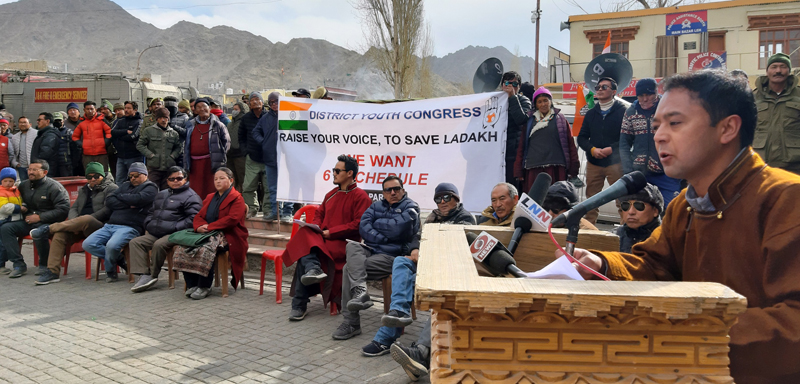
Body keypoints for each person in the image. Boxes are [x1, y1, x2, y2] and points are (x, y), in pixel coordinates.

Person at [566, 69, 800, 383]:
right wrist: (601, 265)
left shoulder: (785, 200)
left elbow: (793, 322)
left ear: (728, 128)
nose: (659, 136)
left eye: (674, 123)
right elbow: (655, 266)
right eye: (656, 126)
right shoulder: (684, 205)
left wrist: (687, 333)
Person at [376, 183, 474, 365]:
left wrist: (427, 254)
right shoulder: (433, 217)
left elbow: (456, 247)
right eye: (438, 199)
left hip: (447, 269)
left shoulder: (465, 218)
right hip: (427, 264)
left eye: (447, 197)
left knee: (415, 284)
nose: (442, 202)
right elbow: (417, 237)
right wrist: (415, 249)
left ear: (456, 198)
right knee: (401, 261)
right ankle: (399, 312)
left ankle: (396, 342)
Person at [332, 176, 420, 354]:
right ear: (383, 193)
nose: (392, 193)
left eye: (396, 189)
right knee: (352, 247)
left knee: (349, 269)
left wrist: (378, 229)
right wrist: (385, 235)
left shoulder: (411, 207)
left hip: (392, 256)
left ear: (403, 190)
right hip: (371, 250)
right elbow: (363, 227)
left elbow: (398, 229)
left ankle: (351, 322)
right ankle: (360, 293)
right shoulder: (375, 206)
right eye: (388, 190)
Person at [283, 155, 372, 321]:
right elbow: (319, 214)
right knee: (306, 235)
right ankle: (313, 269)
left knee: (305, 253)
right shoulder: (330, 194)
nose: (334, 173)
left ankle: (299, 303)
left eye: (337, 171)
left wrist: (331, 232)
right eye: (334, 170)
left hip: (343, 243)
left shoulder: (361, 196)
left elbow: (358, 224)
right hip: (323, 238)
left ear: (350, 173)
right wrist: (316, 227)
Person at [31, 162, 118, 285]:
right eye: (89, 177)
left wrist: (81, 221)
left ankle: (48, 229)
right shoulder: (84, 189)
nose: (92, 179)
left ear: (102, 176)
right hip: (79, 226)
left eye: (96, 176)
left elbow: (107, 210)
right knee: (60, 234)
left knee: (86, 219)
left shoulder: (112, 188)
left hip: (101, 226)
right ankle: (52, 272)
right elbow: (74, 208)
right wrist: (75, 224)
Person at [129, 166, 202, 293]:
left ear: (185, 179)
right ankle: (143, 274)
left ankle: (153, 275)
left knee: (159, 245)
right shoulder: (161, 194)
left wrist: (174, 227)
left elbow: (193, 219)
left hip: (176, 234)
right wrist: (148, 224)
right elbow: (151, 212)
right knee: (136, 242)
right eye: (172, 179)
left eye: (179, 178)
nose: (175, 181)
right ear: (167, 181)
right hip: (156, 231)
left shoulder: (191, 196)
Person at [82, 162, 157, 282]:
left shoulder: (151, 188)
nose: (133, 178)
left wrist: (121, 197)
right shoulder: (126, 185)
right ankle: (120, 259)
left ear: (145, 175)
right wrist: (130, 202)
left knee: (112, 246)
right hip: (110, 225)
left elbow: (139, 199)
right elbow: (109, 200)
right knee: (88, 244)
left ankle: (110, 271)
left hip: (130, 226)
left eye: (136, 175)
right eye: (130, 176)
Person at [181, 167, 248, 299]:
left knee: (205, 249)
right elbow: (199, 216)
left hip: (229, 236)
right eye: (216, 179)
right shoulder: (210, 197)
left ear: (231, 180)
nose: (218, 181)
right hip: (208, 233)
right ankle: (192, 284)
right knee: (184, 248)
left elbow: (232, 219)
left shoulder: (237, 198)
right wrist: (199, 227)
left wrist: (210, 227)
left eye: (222, 178)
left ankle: (204, 286)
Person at [0, 160, 69, 278]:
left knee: (38, 232)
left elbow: (63, 209)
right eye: (29, 169)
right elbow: (19, 201)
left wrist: (40, 217)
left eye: (34, 170)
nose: (30, 172)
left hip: (49, 222)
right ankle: (18, 264)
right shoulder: (24, 185)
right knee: (6, 228)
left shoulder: (54, 187)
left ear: (44, 172)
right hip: (28, 221)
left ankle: (44, 264)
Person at [620, 78, 682, 208]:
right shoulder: (631, 112)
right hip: (641, 174)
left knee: (671, 209)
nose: (645, 99)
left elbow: (680, 139)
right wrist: (628, 170)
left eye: (649, 95)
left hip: (667, 173)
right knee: (642, 210)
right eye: (641, 95)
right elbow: (624, 143)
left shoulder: (667, 110)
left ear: (656, 93)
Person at [577, 77, 631, 224]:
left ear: (613, 91)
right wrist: (592, 149)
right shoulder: (591, 113)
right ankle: (590, 231)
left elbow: (627, 137)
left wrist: (611, 149)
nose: (600, 90)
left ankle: (626, 230)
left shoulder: (623, 111)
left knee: (622, 200)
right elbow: (581, 137)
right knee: (591, 202)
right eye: (598, 87)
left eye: (604, 87)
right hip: (594, 163)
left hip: (615, 163)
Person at [515, 87, 579, 192]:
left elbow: (570, 144)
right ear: (535, 104)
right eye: (539, 102)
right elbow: (522, 147)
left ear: (551, 102)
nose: (543, 104)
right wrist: (518, 171)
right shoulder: (529, 122)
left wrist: (573, 168)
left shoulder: (561, 120)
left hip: (556, 168)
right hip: (533, 169)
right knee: (535, 198)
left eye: (545, 100)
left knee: (555, 198)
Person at [753, 52, 800, 174]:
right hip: (762, 164)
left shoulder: (798, 96)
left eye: (783, 67)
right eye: (774, 67)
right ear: (767, 71)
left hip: (794, 165)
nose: (778, 71)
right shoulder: (754, 97)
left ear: (789, 71)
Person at [254, 91, 293, 222]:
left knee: (288, 186)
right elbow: (255, 132)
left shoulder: (290, 115)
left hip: (288, 158)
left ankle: (287, 212)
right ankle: (275, 212)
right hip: (270, 158)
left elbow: (301, 132)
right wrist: (264, 142)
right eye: (271, 103)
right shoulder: (265, 118)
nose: (274, 104)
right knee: (272, 188)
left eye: (276, 101)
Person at [184, 98, 230, 200]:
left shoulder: (218, 125)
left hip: (211, 163)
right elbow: (186, 143)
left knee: (211, 189)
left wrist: (218, 156)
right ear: (195, 110)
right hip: (194, 164)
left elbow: (226, 143)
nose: (202, 109)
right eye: (198, 107)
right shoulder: (190, 125)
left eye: (204, 106)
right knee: (195, 190)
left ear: (209, 108)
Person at [238, 92, 270, 218]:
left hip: (268, 158)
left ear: (262, 102)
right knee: (248, 187)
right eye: (252, 100)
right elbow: (241, 136)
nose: (255, 102)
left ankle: (267, 210)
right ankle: (252, 208)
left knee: (268, 187)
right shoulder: (246, 118)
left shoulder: (269, 116)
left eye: (257, 99)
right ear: (249, 104)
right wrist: (245, 151)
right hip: (252, 158)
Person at [137, 107, 182, 190]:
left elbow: (178, 147)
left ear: (168, 119)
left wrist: (173, 156)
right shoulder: (148, 131)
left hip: (168, 167)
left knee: (167, 191)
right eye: (160, 118)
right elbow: (140, 145)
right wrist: (150, 155)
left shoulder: (174, 133)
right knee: (152, 189)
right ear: (157, 119)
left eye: (165, 117)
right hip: (154, 167)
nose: (163, 120)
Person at [501, 71, 532, 187]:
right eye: (507, 83)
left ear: (519, 86)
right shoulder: (494, 101)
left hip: (513, 155)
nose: (510, 86)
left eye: (514, 84)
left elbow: (521, 119)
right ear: (502, 85)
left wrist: (512, 97)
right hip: (496, 154)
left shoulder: (524, 101)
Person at [615, 183, 662, 253]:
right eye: (625, 205)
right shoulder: (615, 237)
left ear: (655, 211)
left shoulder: (667, 240)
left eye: (639, 206)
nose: (631, 212)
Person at [111, 101, 144, 185]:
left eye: (129, 108)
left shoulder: (139, 122)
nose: (126, 110)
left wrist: (120, 136)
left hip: (134, 156)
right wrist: (125, 131)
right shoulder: (120, 121)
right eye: (125, 108)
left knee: (135, 180)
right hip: (121, 156)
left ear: (135, 110)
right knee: (119, 180)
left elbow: (133, 136)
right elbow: (113, 132)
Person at [72, 100, 112, 171]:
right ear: (84, 110)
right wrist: (82, 145)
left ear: (95, 109)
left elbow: (110, 132)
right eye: (88, 109)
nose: (90, 111)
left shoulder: (102, 120)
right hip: (87, 154)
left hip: (101, 153)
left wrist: (105, 143)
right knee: (89, 173)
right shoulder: (81, 122)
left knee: (103, 173)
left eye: (91, 109)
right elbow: (75, 136)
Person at [0, 167, 22, 275]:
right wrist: (20, 208)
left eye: (11, 181)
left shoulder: (16, 191)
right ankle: (1, 265)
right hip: (3, 220)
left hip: (12, 220)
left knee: (5, 244)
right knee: (2, 245)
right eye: (5, 181)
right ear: (1, 181)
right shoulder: (1, 192)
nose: (8, 183)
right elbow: (4, 208)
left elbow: (21, 201)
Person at [226, 101, 249, 191]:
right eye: (233, 109)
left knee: (242, 179)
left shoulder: (245, 122)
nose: (234, 111)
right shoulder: (230, 124)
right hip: (230, 155)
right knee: (232, 179)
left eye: (236, 109)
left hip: (241, 155)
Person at [30, 113, 61, 177]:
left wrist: (37, 163)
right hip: (42, 168)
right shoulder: (43, 133)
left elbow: (45, 152)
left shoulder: (50, 134)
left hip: (46, 169)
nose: (37, 122)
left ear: (47, 121)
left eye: (39, 120)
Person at [11, 116, 37, 180]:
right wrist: (15, 163)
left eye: (25, 122)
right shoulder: (15, 137)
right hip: (21, 167)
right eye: (20, 122)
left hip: (34, 166)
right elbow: (12, 152)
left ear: (30, 124)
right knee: (23, 184)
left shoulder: (36, 134)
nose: (22, 124)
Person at [64, 103, 84, 176]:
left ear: (79, 111)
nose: (72, 112)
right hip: (71, 152)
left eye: (74, 110)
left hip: (84, 151)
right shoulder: (65, 124)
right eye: (70, 110)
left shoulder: (84, 121)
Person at [52, 112, 73, 177]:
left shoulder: (68, 132)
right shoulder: (49, 132)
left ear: (63, 121)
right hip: (53, 163)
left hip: (65, 163)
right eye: (55, 121)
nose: (57, 122)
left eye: (59, 120)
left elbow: (75, 148)